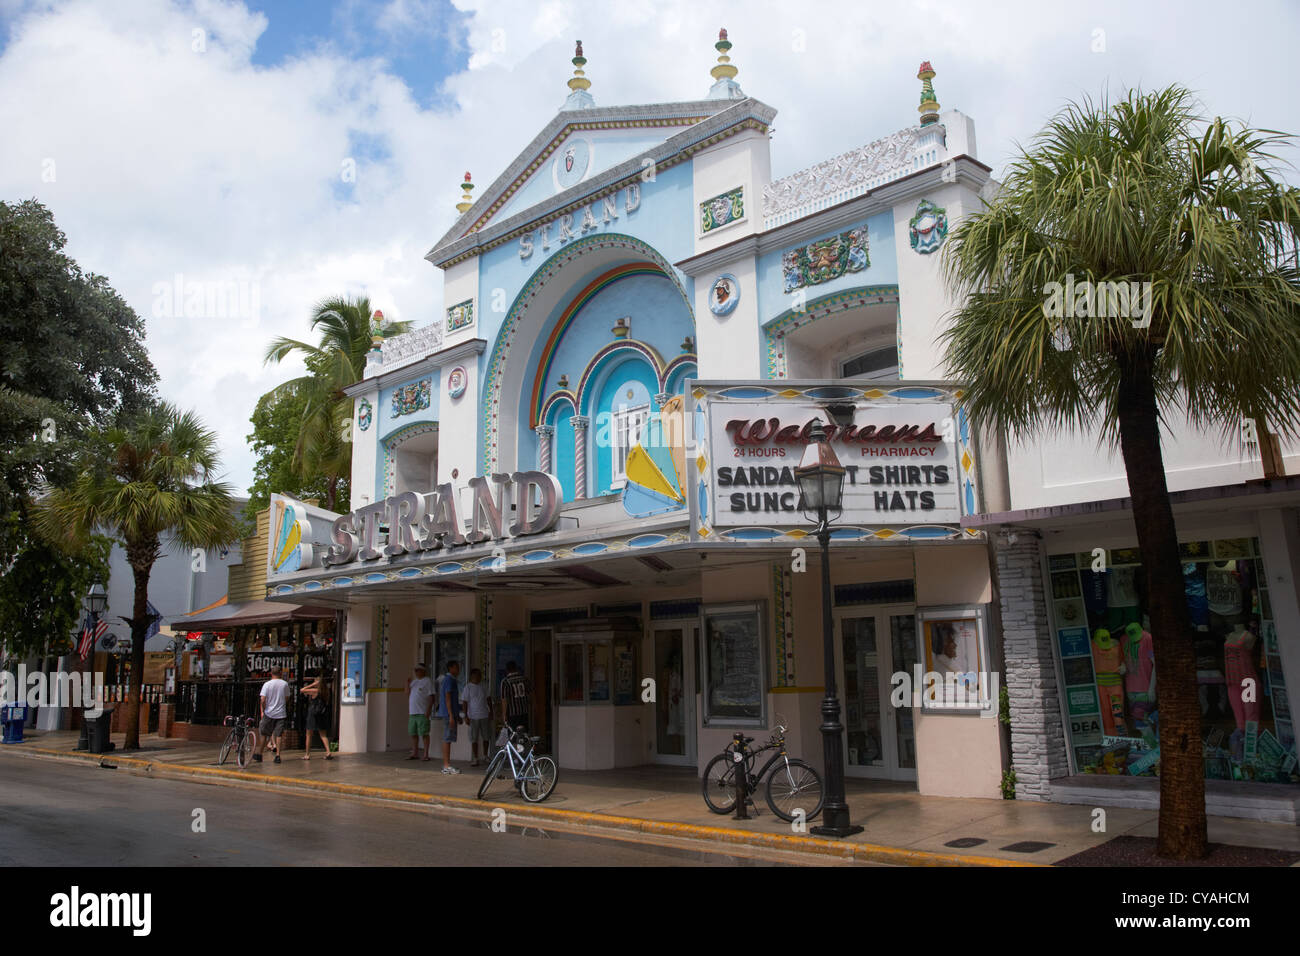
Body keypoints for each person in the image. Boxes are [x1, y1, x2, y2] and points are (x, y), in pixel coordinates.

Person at [255, 665, 289, 764]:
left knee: (264, 734)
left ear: (271, 673)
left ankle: (260, 754)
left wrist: (264, 709)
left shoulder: (267, 684)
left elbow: (262, 699)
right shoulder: (284, 684)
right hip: (281, 713)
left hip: (269, 713)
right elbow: (287, 698)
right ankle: (278, 755)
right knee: (278, 735)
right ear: (280, 673)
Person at [435, 660, 463, 774]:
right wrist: (451, 715)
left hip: (451, 714)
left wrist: (456, 716)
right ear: (451, 668)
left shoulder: (452, 680)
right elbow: (447, 698)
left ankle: (447, 764)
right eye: (456, 668)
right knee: (447, 738)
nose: (458, 670)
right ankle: (446, 765)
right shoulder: (449, 680)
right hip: (448, 714)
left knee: (449, 738)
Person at [300, 672, 334, 761]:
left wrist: (312, 684)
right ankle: (328, 751)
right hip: (321, 714)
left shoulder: (315, 691)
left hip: (313, 714)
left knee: (309, 734)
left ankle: (307, 754)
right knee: (323, 735)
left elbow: (302, 690)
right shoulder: (326, 691)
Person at [407, 663, 434, 760]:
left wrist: (428, 710)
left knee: (424, 733)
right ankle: (415, 753)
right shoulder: (414, 682)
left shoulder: (427, 681)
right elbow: (407, 693)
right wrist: (407, 683)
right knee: (413, 733)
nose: (416, 672)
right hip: (412, 712)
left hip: (422, 712)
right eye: (415, 670)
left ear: (423, 671)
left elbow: (432, 697)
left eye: (418, 670)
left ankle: (426, 754)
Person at [499, 660, 531, 735]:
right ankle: (524, 746)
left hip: (512, 714)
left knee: (513, 735)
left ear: (507, 670)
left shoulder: (505, 681)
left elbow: (504, 700)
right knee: (524, 734)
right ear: (516, 668)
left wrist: (504, 715)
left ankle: (515, 746)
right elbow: (531, 693)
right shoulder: (524, 679)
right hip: (524, 712)